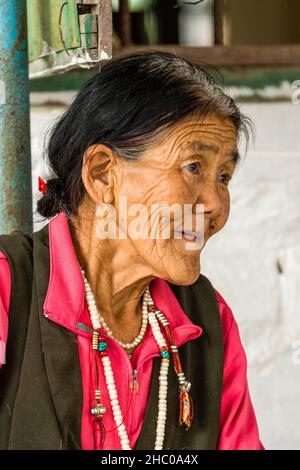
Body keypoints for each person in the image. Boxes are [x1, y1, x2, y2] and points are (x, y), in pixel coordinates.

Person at [0, 50, 264, 450]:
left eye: (224, 176)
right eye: (193, 166)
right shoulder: (7, 287)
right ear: (103, 174)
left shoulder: (209, 321)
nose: (215, 204)